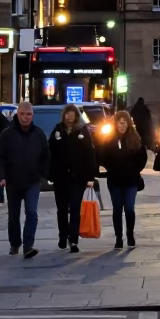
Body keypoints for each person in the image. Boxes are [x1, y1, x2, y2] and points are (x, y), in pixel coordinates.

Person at [0, 101, 50, 259]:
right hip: (12, 181)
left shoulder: (38, 134)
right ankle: (15, 243)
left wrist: (44, 174)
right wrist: (1, 177)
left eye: (28, 114)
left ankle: (28, 245)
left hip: (32, 181)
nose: (25, 117)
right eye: (23, 114)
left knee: (31, 212)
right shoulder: (7, 134)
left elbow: (46, 156)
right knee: (13, 215)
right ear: (18, 114)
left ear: (32, 116)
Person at [48, 104, 97, 252]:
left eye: (71, 113)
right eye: (66, 113)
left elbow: (89, 154)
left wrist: (90, 176)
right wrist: (50, 173)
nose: (69, 116)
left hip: (78, 177)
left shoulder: (82, 131)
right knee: (62, 209)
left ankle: (73, 240)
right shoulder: (57, 130)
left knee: (75, 208)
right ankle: (63, 236)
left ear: (76, 115)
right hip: (61, 177)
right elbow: (50, 153)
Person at [100, 110, 148, 248]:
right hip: (115, 179)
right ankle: (118, 237)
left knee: (129, 208)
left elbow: (142, 157)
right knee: (117, 209)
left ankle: (130, 233)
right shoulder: (109, 139)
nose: (121, 126)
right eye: (119, 123)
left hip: (131, 180)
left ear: (128, 124)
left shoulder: (135, 138)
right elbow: (102, 156)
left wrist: (135, 169)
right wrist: (110, 166)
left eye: (124, 123)